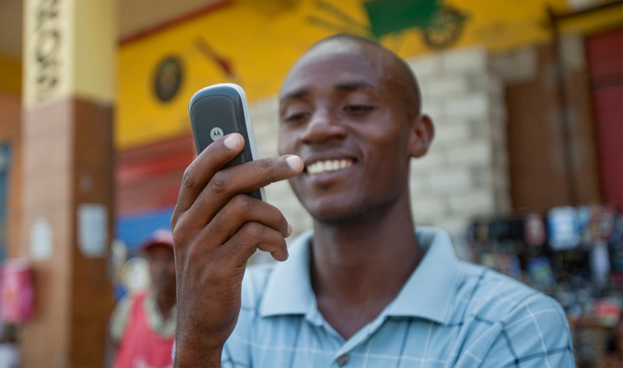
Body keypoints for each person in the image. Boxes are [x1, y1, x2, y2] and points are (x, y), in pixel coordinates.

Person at [171, 34, 575, 367]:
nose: (318, 128)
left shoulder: (512, 325)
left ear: (418, 134)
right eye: (295, 115)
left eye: (357, 107)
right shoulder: (236, 309)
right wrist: (198, 344)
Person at [111, 229, 177, 368]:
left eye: (169, 259)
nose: (161, 267)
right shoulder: (130, 305)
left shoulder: (192, 313)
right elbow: (114, 343)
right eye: (155, 259)